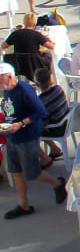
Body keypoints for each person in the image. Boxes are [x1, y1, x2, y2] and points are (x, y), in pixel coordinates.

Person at [0, 63, 67, 219]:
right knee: (16, 171)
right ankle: (23, 205)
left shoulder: (24, 90)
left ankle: (58, 184)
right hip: (12, 136)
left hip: (27, 137)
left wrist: (22, 123)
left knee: (32, 173)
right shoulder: (7, 90)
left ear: (9, 76)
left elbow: (40, 112)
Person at [3, 12, 55, 80]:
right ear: (35, 23)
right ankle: (48, 79)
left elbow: (3, 46)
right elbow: (52, 47)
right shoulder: (37, 34)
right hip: (35, 64)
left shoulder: (15, 33)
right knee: (48, 55)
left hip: (19, 65)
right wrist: (48, 39)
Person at [34, 67, 69, 168]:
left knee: (27, 132)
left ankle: (45, 158)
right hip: (64, 123)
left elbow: (42, 122)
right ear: (50, 80)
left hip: (56, 129)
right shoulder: (58, 89)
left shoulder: (41, 101)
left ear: (37, 84)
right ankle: (55, 149)